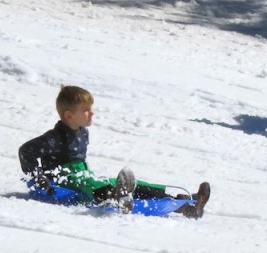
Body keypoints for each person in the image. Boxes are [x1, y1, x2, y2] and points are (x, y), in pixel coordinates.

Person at [18, 86, 212, 219]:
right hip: (64, 180)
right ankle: (115, 197)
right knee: (92, 186)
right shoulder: (55, 138)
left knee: (133, 184)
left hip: (82, 175)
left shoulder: (81, 131)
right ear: (69, 115)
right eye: (86, 110)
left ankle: (188, 204)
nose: (91, 113)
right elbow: (26, 150)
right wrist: (38, 176)